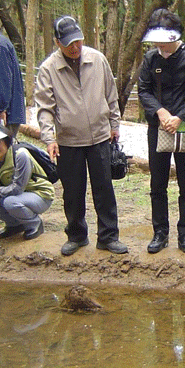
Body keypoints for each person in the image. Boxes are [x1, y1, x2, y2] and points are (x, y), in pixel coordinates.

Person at [35, 15, 128, 256]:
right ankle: (76, 235)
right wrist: (49, 138)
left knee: (104, 189)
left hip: (100, 137)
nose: (75, 48)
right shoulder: (48, 68)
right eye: (69, 44)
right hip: (68, 140)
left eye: (78, 41)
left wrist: (114, 124)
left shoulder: (97, 59)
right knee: (73, 192)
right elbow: (45, 107)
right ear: (57, 42)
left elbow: (111, 93)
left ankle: (108, 236)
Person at [138, 9, 185, 254]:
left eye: (164, 40)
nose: (160, 45)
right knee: (158, 182)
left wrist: (180, 117)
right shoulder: (150, 59)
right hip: (158, 126)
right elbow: (143, 89)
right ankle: (160, 232)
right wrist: (160, 112)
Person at [0, 124, 54, 240]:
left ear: (6, 141)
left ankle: (34, 223)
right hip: (15, 196)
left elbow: (17, 188)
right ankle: (14, 225)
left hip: (40, 195)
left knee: (10, 202)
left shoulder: (21, 155)